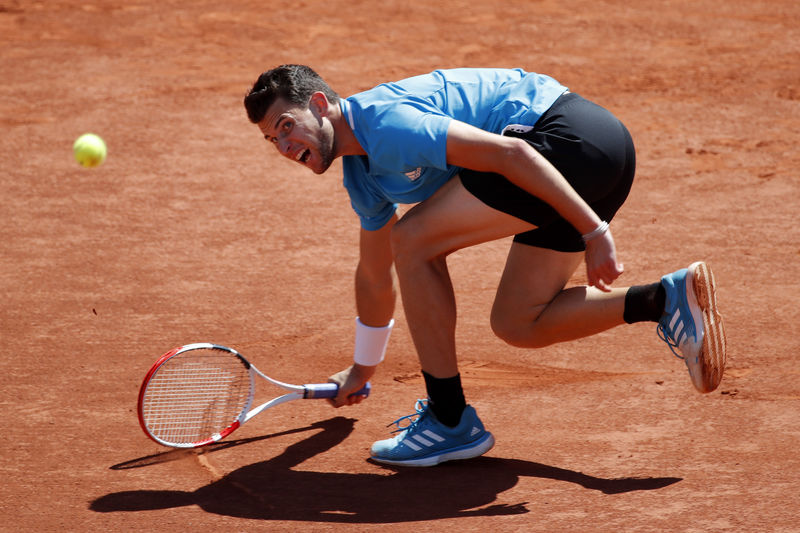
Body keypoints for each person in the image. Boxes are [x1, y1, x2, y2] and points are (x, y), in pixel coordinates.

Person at [243, 65, 726, 467]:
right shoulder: (362, 176)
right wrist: (360, 371)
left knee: (411, 239)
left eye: (287, 125)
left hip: (570, 142)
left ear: (322, 104)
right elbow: (374, 275)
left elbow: (511, 152)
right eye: (272, 139)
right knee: (520, 322)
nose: (285, 146)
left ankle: (449, 419)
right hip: (577, 162)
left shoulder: (383, 122)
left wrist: (594, 232)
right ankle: (663, 300)